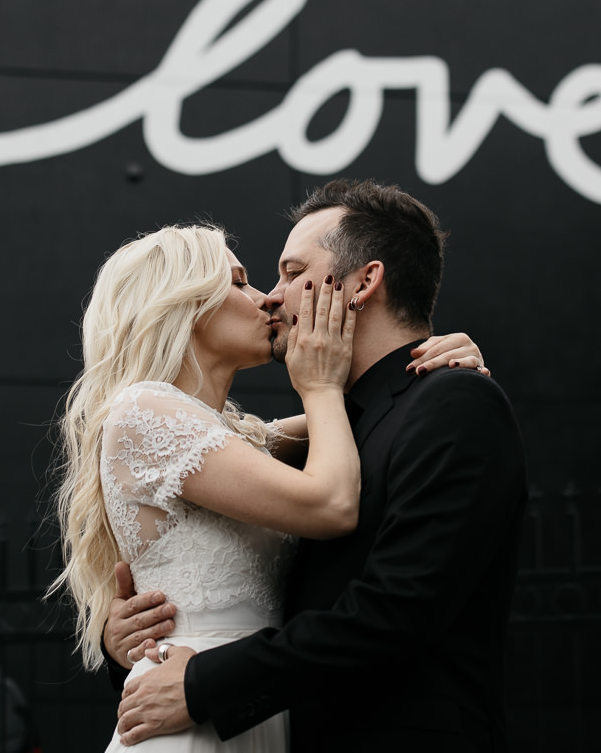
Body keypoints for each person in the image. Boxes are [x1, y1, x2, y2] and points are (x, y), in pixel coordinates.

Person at [112, 181, 527, 752]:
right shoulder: (333, 432)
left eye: (291, 272)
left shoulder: (454, 402)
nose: (272, 297)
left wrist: (202, 684)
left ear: (364, 282)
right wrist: (133, 636)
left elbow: (398, 611)